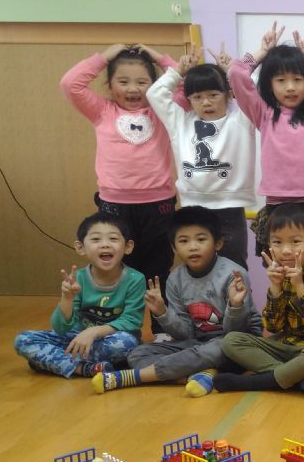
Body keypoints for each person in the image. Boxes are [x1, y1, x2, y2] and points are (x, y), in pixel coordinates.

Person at [60, 44, 178, 335]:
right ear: (110, 86)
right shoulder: (102, 110)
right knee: (119, 270)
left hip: (159, 204)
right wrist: (103, 57)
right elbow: (70, 84)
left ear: (155, 85)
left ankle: (161, 329)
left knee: (157, 269)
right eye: (123, 81)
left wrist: (158, 57)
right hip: (114, 206)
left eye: (142, 81)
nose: (133, 88)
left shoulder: (163, 109)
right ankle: (124, 329)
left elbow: (186, 83)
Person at [92, 206, 262, 396]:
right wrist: (162, 313)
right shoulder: (175, 279)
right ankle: (205, 374)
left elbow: (235, 332)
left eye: (201, 239)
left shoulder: (234, 274)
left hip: (238, 342)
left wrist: (235, 305)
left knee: (220, 347)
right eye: (183, 241)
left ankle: (134, 377)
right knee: (137, 354)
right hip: (198, 343)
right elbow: (185, 334)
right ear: (174, 247)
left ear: (218, 243)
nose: (193, 246)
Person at [227, 22, 304, 265]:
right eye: (280, 80)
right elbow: (236, 74)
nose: (290, 87)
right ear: (269, 85)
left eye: (297, 79)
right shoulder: (263, 113)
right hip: (278, 202)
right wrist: (261, 53)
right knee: (282, 268)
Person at [214, 204, 304, 396]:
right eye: (277, 242)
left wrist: (299, 286)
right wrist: (275, 288)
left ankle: (260, 381)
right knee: (231, 340)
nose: (285, 250)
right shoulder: (279, 274)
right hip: (286, 347)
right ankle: (296, 379)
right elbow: (273, 327)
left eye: (295, 242)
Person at [146, 45, 256, 269]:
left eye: (213, 95)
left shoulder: (242, 120)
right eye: (197, 97)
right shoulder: (180, 122)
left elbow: (256, 94)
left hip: (230, 207)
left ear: (229, 95)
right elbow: (154, 94)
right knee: (198, 269)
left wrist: (232, 71)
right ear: (189, 100)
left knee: (234, 268)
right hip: (194, 207)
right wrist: (178, 71)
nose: (206, 102)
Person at [15, 213, 144, 377]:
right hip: (77, 337)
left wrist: (93, 332)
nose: (105, 244)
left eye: (113, 239)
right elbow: (60, 328)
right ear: (80, 247)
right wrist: (67, 299)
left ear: (128, 247)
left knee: (125, 344)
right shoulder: (77, 279)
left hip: (112, 338)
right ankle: (84, 368)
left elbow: (132, 320)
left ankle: (52, 360)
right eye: (96, 239)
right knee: (23, 340)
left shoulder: (135, 279)